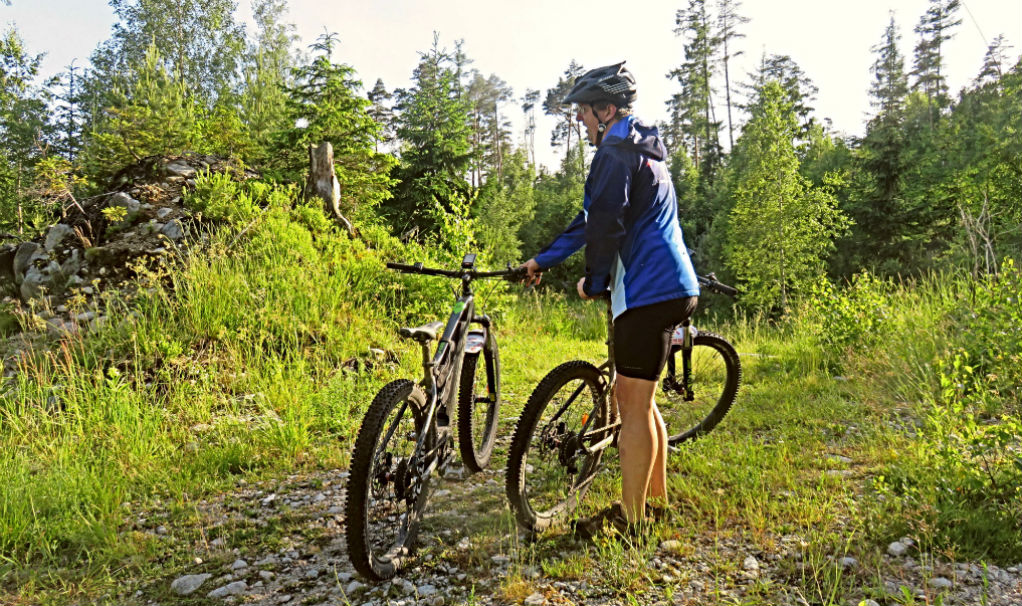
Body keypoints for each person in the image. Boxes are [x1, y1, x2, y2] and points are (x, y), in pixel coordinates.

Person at [521, 61, 700, 535]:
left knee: (630, 407)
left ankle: (631, 520)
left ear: (606, 109)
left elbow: (604, 225)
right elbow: (591, 220)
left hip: (647, 290)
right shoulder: (643, 150)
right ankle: (655, 504)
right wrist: (544, 260)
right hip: (674, 287)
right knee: (644, 402)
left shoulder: (615, 154)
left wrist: (594, 281)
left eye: (583, 113)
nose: (580, 122)